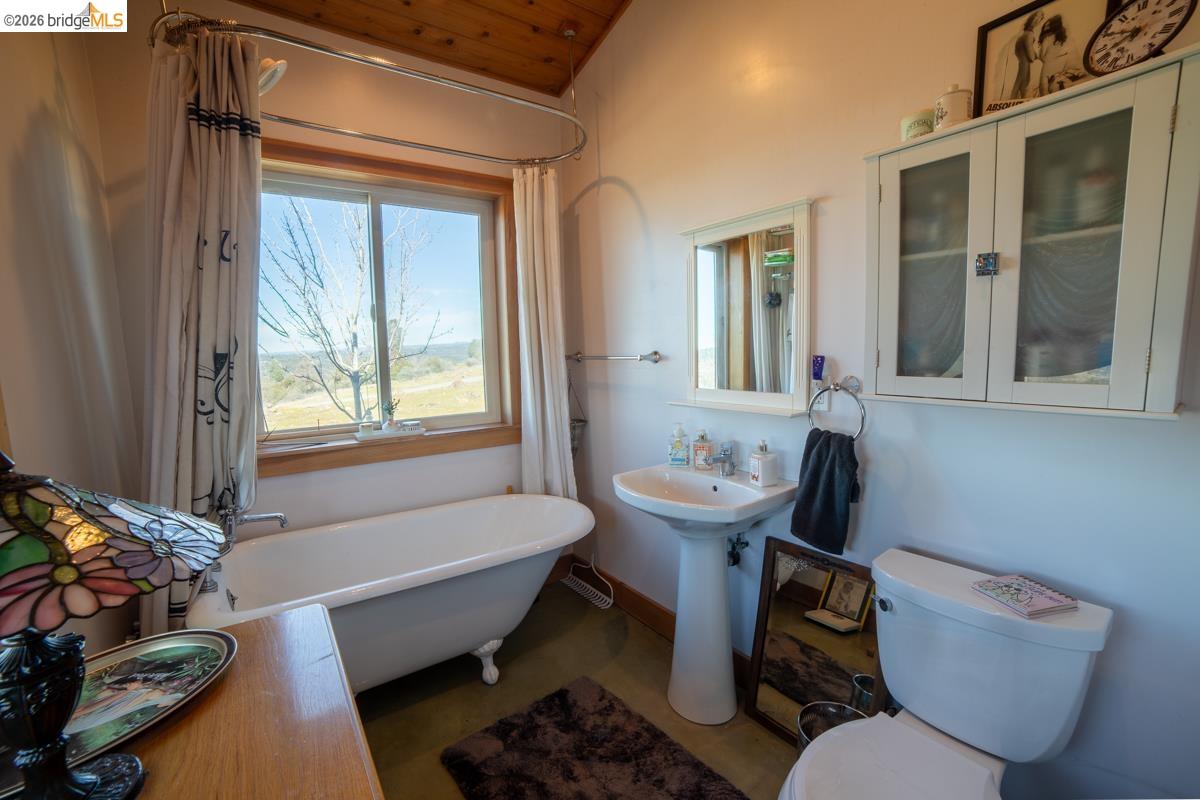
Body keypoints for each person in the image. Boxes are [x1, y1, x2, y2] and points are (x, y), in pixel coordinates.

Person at [1011, 10, 1045, 100]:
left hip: (1022, 63)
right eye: (1036, 17)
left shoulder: (1024, 34)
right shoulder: (1029, 34)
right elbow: (1031, 56)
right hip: (1025, 63)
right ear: (1032, 17)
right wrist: (1036, 57)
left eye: (1040, 18)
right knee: (1022, 84)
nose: (1038, 20)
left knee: (1020, 84)